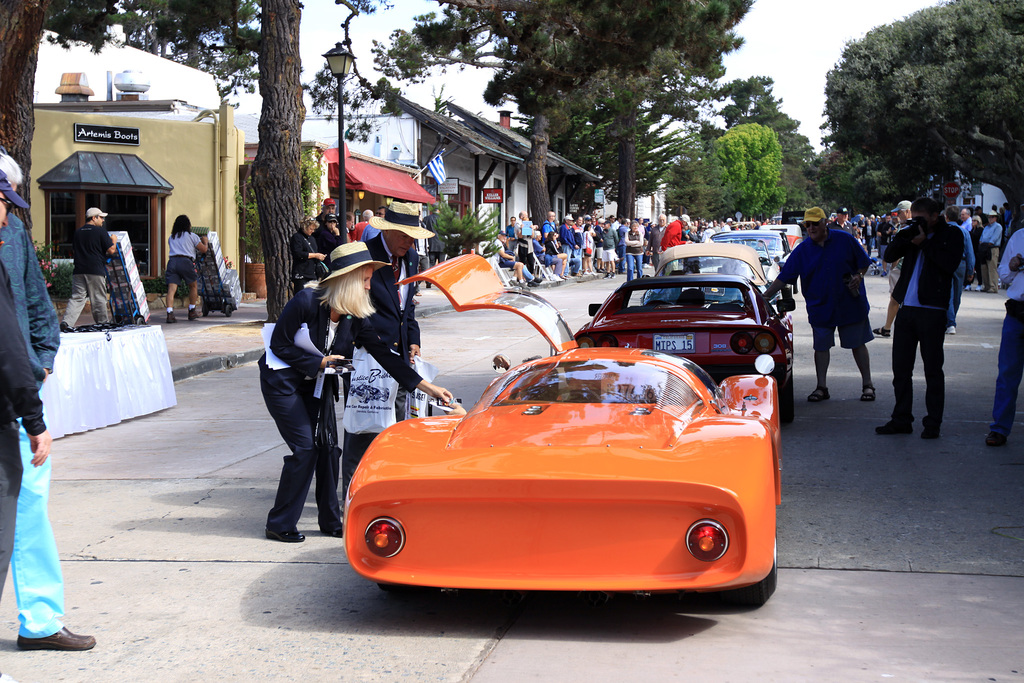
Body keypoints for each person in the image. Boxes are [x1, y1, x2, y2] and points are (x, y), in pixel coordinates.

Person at [261, 241, 454, 542]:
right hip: (283, 383)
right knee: (305, 449)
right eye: (364, 281)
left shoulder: (354, 317)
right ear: (346, 280)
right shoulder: (306, 301)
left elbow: (386, 356)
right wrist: (318, 361)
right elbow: (278, 345)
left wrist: (428, 387)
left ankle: (331, 521)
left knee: (328, 448)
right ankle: (280, 522)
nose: (368, 287)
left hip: (318, 381)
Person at [0, 163, 95, 652]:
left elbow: (33, 302)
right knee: (24, 505)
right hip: (11, 391)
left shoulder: (11, 231)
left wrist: (42, 358)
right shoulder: (8, 230)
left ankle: (39, 618)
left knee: (28, 504)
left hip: (14, 385)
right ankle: (39, 619)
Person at [342, 202, 436, 498]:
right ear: (389, 230)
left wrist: (413, 339)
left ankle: (385, 488)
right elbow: (357, 309)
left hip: (399, 356)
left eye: (413, 237)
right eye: (405, 236)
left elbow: (406, 308)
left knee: (395, 430)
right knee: (363, 429)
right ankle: (351, 496)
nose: (410, 242)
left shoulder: (409, 256)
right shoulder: (364, 254)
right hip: (367, 354)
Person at [763, 206, 874, 402]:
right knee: (821, 347)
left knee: (858, 343)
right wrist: (764, 296)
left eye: (815, 223)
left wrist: (859, 275)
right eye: (808, 224)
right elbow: (784, 277)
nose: (811, 228)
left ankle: (868, 385)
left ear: (825, 223)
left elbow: (864, 262)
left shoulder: (845, 240)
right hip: (821, 306)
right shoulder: (802, 251)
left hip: (850, 304)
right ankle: (821, 387)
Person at [876, 197, 964, 439]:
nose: (917, 222)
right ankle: (901, 418)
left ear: (935, 216)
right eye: (913, 217)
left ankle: (932, 423)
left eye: (921, 218)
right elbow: (890, 254)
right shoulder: (913, 233)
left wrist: (924, 242)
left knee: (933, 370)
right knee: (901, 369)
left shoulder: (952, 235)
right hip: (907, 308)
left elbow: (949, 265)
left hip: (933, 310)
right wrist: (905, 235)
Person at [986, 227, 1024, 447]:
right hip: (1018, 312)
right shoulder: (1019, 236)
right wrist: (1011, 267)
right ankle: (999, 428)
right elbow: (1003, 273)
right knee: (1007, 374)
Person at [60, 207, 116, 329]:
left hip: (79, 270)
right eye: (101, 217)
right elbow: (111, 250)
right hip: (95, 270)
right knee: (98, 298)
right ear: (94, 218)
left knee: (77, 298)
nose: (103, 220)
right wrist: (114, 240)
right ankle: (102, 323)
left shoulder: (78, 232)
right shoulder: (100, 232)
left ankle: (66, 322)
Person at [873, 201, 912, 337]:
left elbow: (896, 253)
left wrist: (894, 268)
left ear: (907, 211)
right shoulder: (906, 227)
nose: (897, 216)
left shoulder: (905, 229)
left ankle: (888, 327)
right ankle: (888, 327)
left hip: (901, 268)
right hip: (906, 268)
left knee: (895, 298)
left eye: (899, 212)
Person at [163, 215, 209, 324]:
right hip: (186, 262)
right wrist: (205, 241)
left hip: (172, 262)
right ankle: (192, 310)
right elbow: (203, 250)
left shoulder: (171, 237)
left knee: (171, 289)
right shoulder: (192, 236)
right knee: (193, 286)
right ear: (188, 225)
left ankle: (170, 313)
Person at [944, 206, 974, 335]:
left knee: (947, 294)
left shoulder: (943, 230)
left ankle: (950, 322)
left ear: (947, 216)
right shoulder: (964, 232)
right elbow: (969, 253)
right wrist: (970, 270)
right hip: (960, 263)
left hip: (945, 262)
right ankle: (952, 320)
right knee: (957, 294)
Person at [290, 216, 327, 295]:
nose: (312, 231)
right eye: (310, 229)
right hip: (301, 274)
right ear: (304, 227)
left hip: (312, 274)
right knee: (301, 296)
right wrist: (315, 255)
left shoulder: (312, 239)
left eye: (314, 229)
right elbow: (298, 253)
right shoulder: (297, 237)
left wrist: (319, 257)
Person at [980, 211, 1003, 293]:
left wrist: (985, 243)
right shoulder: (986, 227)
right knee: (984, 267)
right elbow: (981, 239)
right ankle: (986, 286)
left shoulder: (998, 226)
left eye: (992, 217)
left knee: (992, 267)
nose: (990, 218)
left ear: (996, 218)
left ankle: (993, 286)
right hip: (984, 248)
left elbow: (993, 239)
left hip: (993, 248)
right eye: (989, 217)